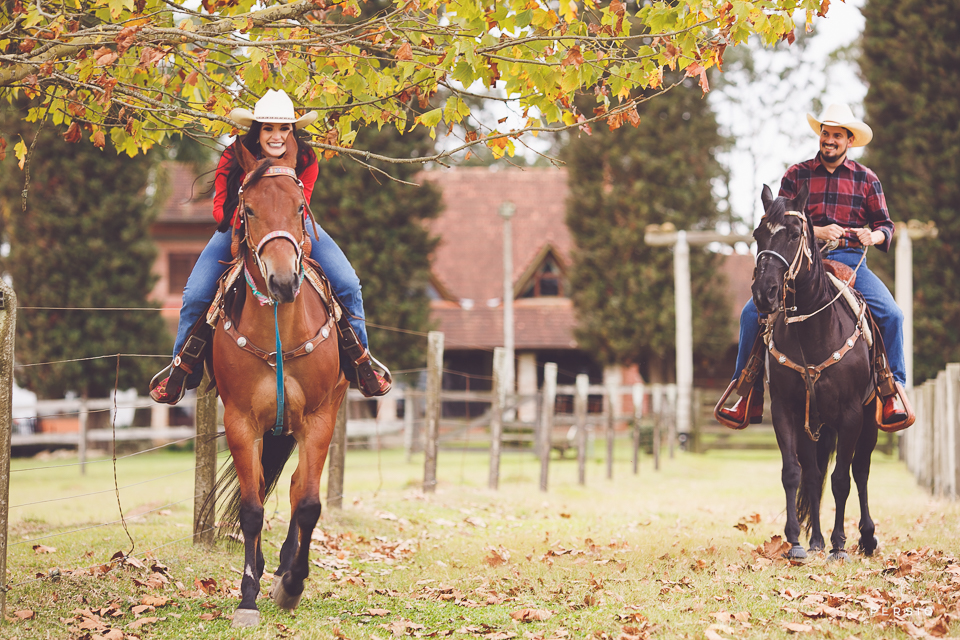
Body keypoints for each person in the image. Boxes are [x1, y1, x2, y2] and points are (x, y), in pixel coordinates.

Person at [149, 89, 390, 404]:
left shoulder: (305, 159)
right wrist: (252, 212)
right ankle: (180, 370)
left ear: (293, 130)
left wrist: (281, 222)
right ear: (257, 130)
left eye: (284, 128)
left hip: (292, 227)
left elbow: (302, 205)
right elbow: (219, 209)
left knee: (348, 284)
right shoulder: (232, 155)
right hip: (241, 225)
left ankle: (362, 365)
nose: (276, 136)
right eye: (268, 128)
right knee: (195, 294)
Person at [717, 103, 908, 429]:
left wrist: (872, 235)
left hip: (851, 261)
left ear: (849, 140)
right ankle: (745, 390)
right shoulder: (796, 174)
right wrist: (816, 231)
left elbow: (885, 226)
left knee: (892, 314)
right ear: (820, 136)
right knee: (751, 313)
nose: (829, 140)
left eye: (836, 135)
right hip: (802, 262)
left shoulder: (866, 179)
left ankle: (892, 389)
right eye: (825, 133)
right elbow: (779, 219)